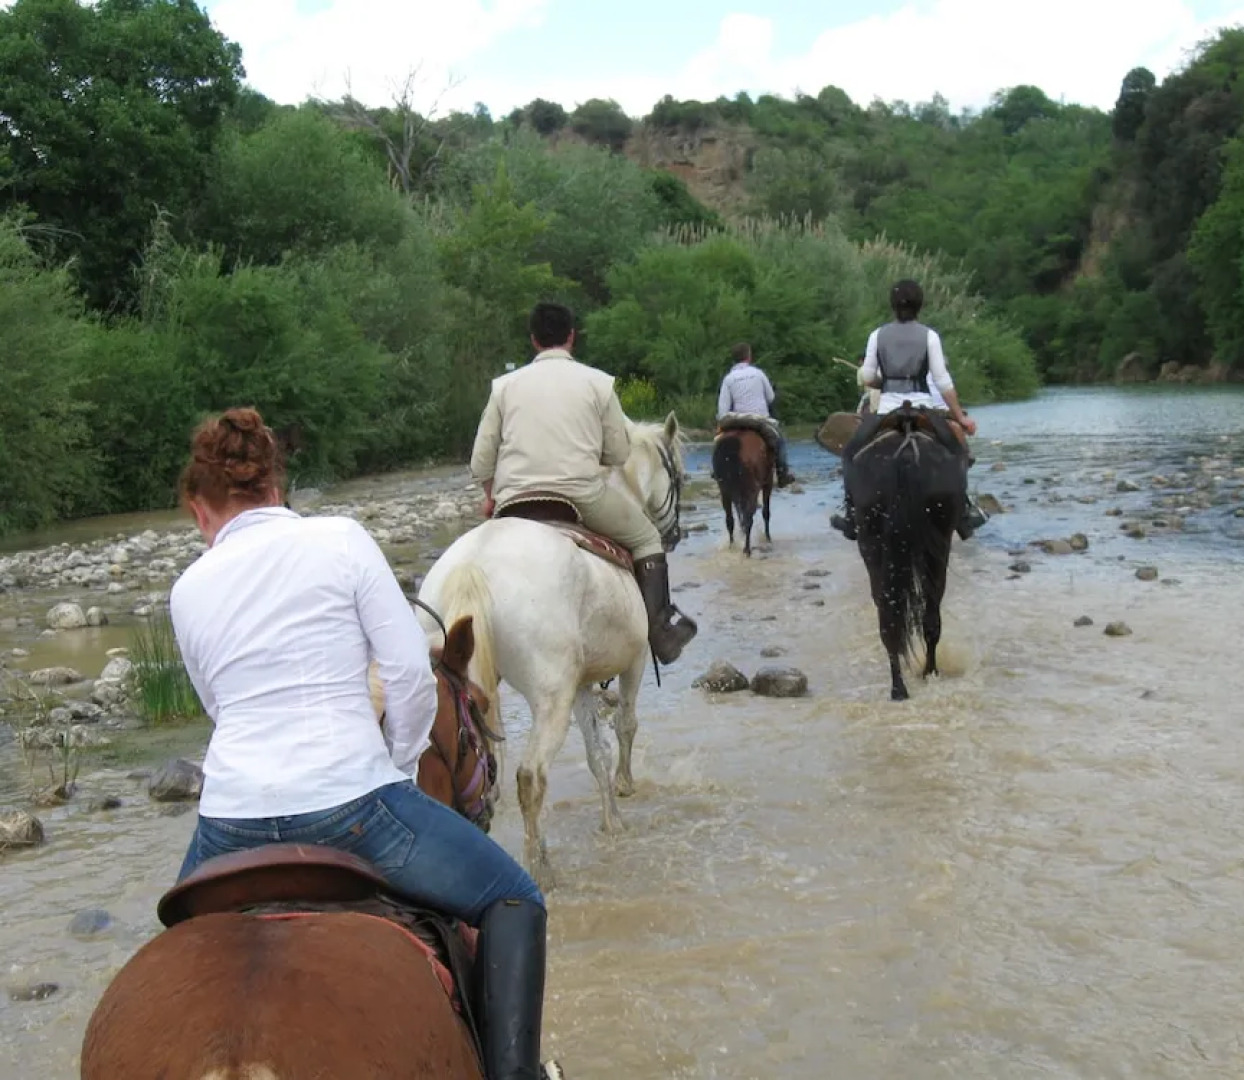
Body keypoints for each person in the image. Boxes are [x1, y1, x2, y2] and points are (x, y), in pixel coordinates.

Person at [168, 407, 549, 1080]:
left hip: (227, 824)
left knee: (172, 965)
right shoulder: (341, 540)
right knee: (514, 898)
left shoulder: (188, 587)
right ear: (277, 488)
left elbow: (219, 710)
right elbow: (408, 678)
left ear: (200, 509)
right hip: (350, 805)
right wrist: (395, 770)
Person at [470, 302, 696, 665]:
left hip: (514, 501)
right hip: (579, 497)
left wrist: (488, 497)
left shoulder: (503, 387)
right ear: (572, 337)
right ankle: (661, 633)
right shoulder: (598, 383)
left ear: (533, 340)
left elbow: (480, 461)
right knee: (647, 538)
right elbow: (619, 453)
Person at [830, 279, 982, 540]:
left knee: (851, 452)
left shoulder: (877, 335)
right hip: (924, 408)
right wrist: (960, 418)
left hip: (887, 408)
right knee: (957, 450)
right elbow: (943, 381)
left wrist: (884, 380)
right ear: (919, 306)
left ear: (893, 306)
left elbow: (867, 377)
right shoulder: (930, 336)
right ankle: (964, 511)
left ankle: (851, 512)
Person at [715, 342, 795, 487]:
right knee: (780, 441)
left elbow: (723, 409)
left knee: (719, 443)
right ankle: (783, 472)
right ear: (749, 356)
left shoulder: (728, 379)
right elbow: (770, 397)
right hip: (760, 419)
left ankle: (717, 471)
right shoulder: (758, 373)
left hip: (736, 420)